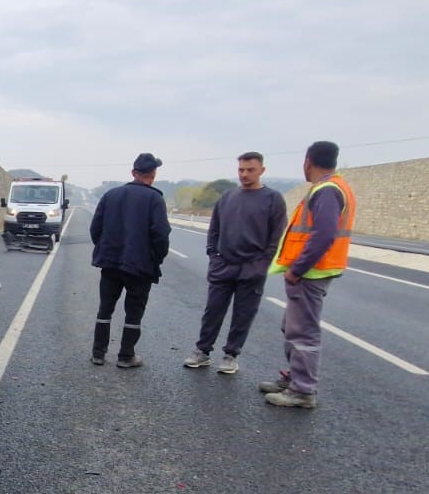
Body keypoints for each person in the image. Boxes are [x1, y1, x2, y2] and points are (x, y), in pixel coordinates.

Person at [262, 141, 358, 409]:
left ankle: (302, 390)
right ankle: (295, 378)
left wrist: (297, 269)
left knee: (303, 332)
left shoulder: (327, 191)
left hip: (310, 274)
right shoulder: (332, 187)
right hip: (314, 272)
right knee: (292, 326)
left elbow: (323, 234)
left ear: (308, 161)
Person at [184, 151, 287, 374]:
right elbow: (214, 229)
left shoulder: (273, 199)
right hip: (224, 265)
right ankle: (202, 351)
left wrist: (262, 264)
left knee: (243, 314)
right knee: (213, 310)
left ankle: (231, 355)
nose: (245, 174)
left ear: (262, 170)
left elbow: (276, 236)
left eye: (250, 170)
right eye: (241, 170)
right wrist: (214, 256)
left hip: (252, 267)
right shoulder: (228, 197)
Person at [89, 153, 171, 368]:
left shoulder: (111, 195)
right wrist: (156, 258)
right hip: (140, 266)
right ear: (153, 174)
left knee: (105, 308)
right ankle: (126, 356)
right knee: (134, 312)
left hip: (110, 264)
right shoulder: (155, 199)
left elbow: (95, 229)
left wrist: (105, 250)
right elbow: (161, 235)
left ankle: (98, 353)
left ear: (134, 173)